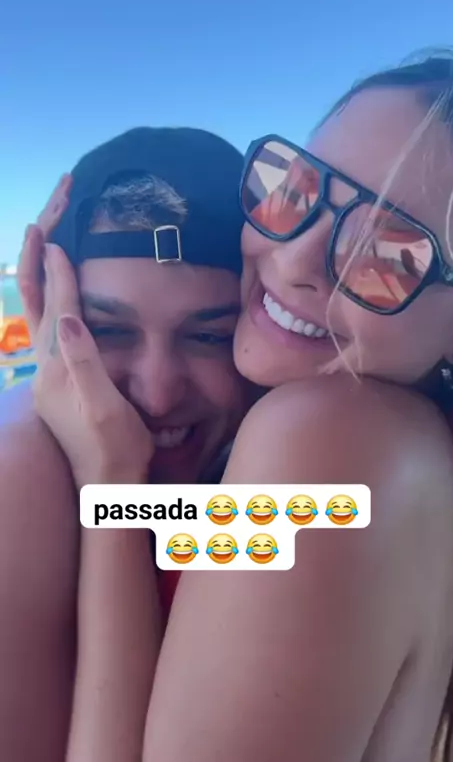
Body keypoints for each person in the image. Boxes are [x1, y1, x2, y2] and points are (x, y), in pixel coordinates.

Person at [27, 52, 453, 762]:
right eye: (297, 192)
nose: (294, 260)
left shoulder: (328, 438)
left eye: (387, 251)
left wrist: (106, 482)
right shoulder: (383, 450)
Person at [0, 126, 254, 762]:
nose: (158, 394)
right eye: (108, 330)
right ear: (49, 320)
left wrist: (112, 490)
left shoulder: (301, 489)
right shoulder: (21, 474)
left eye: (210, 337)